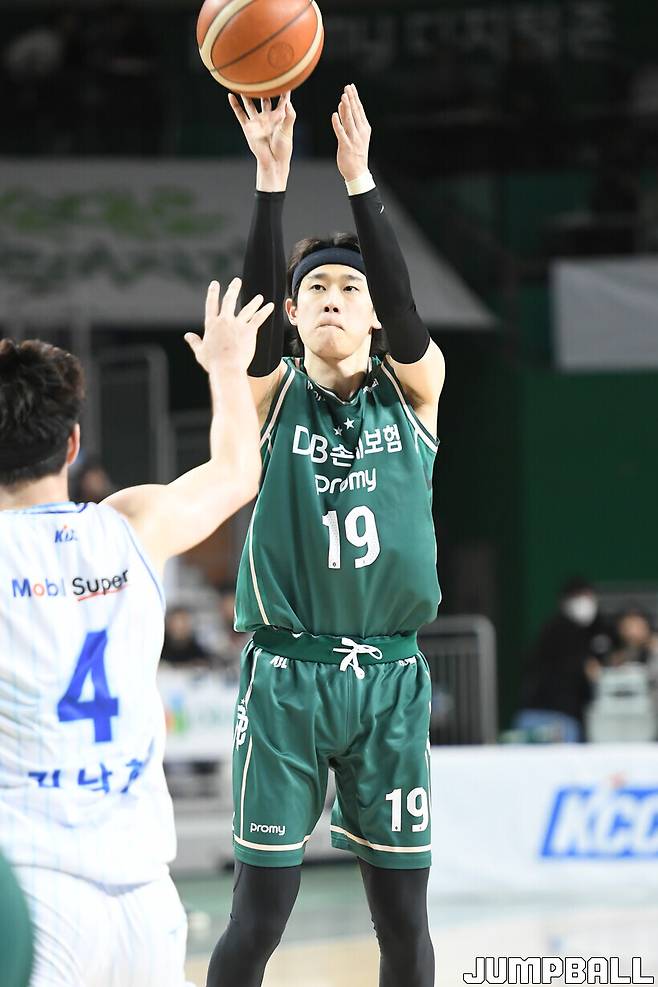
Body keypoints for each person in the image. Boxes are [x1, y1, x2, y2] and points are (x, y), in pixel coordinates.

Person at [206, 85, 446, 987]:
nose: (334, 298)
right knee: (257, 918)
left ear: (375, 312)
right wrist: (272, 181)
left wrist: (358, 178)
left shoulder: (415, 389)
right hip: (287, 676)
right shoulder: (271, 397)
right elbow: (253, 323)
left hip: (389, 678)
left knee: (404, 922)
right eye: (316, 289)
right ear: (293, 313)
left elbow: (408, 312)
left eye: (351, 288)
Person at [0, 278, 273, 986]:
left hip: (31, 887)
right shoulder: (131, 526)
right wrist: (226, 368)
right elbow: (237, 473)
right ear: (73, 445)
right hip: (145, 894)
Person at [514, 578, 612, 742]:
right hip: (547, 715)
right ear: (565, 601)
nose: (585, 602)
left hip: (568, 716)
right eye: (578, 596)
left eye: (588, 596)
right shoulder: (556, 629)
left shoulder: (596, 630)